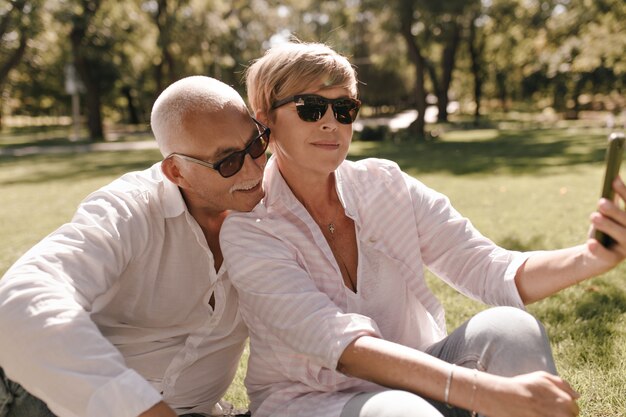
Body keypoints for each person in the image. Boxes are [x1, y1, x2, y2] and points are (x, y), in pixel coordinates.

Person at [220, 41, 626, 417]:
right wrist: (486, 392)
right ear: (265, 121)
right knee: (399, 411)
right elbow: (343, 349)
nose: (331, 123)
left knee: (510, 327)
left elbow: (490, 269)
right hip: (314, 401)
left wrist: (592, 257)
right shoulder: (250, 230)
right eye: (310, 107)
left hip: (423, 381)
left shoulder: (387, 185)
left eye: (344, 109)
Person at [0, 76, 269, 417]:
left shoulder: (276, 212)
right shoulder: (128, 211)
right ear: (176, 172)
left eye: (257, 144)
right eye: (228, 161)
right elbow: (22, 300)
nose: (254, 168)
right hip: (62, 405)